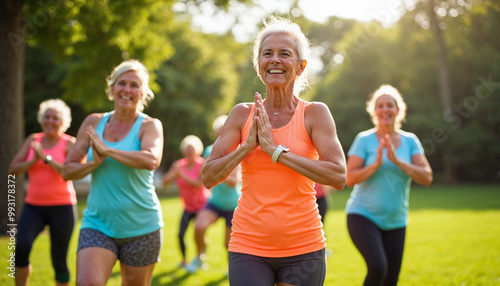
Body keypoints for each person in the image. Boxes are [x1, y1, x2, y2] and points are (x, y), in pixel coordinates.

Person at [201, 16, 347, 286]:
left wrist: (275, 151)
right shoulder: (242, 114)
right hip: (248, 245)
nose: (275, 59)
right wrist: (246, 148)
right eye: (267, 53)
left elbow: (338, 175)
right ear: (259, 66)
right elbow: (208, 176)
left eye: (285, 53)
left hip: (304, 247)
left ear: (301, 66)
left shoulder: (315, 114)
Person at [62, 59, 164, 286]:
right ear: (112, 88)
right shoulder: (94, 122)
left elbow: (151, 159)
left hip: (142, 228)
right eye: (122, 83)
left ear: (143, 93)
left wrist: (108, 150)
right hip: (98, 224)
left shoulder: (149, 125)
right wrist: (93, 164)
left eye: (134, 85)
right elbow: (67, 171)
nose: (127, 90)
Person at [345, 84, 433, 286]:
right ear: (374, 111)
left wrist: (399, 162)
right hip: (363, 215)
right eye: (380, 105)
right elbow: (349, 178)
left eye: (390, 105)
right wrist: (375, 164)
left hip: (397, 221)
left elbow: (427, 177)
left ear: (398, 110)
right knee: (378, 267)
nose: (385, 109)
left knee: (391, 279)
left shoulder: (410, 141)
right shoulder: (364, 140)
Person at [8, 99, 77, 286]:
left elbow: (71, 173)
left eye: (55, 118)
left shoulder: (69, 143)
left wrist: (45, 158)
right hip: (34, 207)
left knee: (59, 261)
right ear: (42, 119)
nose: (50, 121)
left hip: (63, 208)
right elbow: (13, 169)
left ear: (62, 122)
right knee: (21, 248)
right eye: (47, 116)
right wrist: (32, 161)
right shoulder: (33, 140)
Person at [186, 115, 242, 274]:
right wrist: (220, 173)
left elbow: (234, 181)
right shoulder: (210, 150)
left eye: (225, 130)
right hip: (215, 202)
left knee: (228, 243)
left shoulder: (239, 150)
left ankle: (232, 269)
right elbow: (205, 176)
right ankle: (199, 257)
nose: (222, 134)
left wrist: (217, 173)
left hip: (233, 204)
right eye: (219, 131)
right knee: (199, 226)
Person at [162, 134, 210, 270]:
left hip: (202, 206)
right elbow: (165, 181)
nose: (189, 152)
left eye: (191, 149)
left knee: (199, 234)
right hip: (187, 207)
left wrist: (180, 174)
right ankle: (184, 260)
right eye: (187, 149)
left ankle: (200, 258)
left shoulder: (201, 164)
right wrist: (171, 175)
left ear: (197, 150)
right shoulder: (179, 165)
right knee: (180, 234)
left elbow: (197, 184)